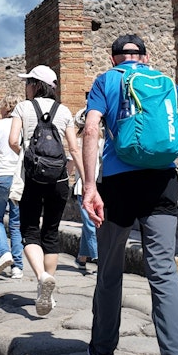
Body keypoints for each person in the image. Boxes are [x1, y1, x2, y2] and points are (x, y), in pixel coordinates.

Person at [81, 34, 178, 355]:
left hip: (119, 183)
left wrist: (90, 186)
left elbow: (92, 127)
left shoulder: (107, 81)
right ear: (146, 57)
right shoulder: (166, 82)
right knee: (163, 271)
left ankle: (103, 352)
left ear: (114, 59)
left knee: (109, 268)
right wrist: (173, 140)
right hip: (162, 180)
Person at [8, 65, 81, 315]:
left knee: (29, 230)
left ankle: (41, 277)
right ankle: (46, 292)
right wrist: (74, 175)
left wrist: (29, 158)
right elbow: (73, 148)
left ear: (36, 85)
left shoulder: (22, 108)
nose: (25, 86)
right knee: (50, 233)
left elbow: (12, 141)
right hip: (59, 180)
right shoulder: (64, 111)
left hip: (31, 179)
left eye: (28, 82)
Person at [0, 94, 24, 278]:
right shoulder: (23, 126)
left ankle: (4, 253)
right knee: (16, 224)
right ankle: (17, 267)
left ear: (4, 108)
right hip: (18, 177)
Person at [75, 107, 99, 273]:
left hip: (91, 188)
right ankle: (91, 257)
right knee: (90, 223)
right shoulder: (78, 142)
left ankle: (90, 257)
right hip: (91, 187)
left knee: (89, 223)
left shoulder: (82, 141)